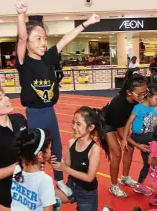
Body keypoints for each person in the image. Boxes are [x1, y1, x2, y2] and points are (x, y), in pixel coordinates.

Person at [15, 0, 100, 192]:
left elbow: (65, 40)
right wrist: (21, 15)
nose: (43, 42)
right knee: (36, 149)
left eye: (44, 38)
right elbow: (20, 38)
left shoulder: (48, 58)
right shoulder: (24, 62)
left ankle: (59, 180)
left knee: (57, 148)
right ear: (27, 42)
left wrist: (86, 23)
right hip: (35, 112)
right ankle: (33, 181)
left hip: (49, 111)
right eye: (37, 38)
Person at [50, 107, 113, 211]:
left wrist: (65, 168)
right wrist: (52, 161)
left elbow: (89, 177)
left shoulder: (94, 149)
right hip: (71, 186)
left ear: (90, 128)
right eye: (73, 122)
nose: (74, 127)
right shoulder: (71, 142)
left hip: (87, 192)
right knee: (45, 196)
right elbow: (66, 164)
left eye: (78, 124)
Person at [101, 72, 149, 198]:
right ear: (129, 92)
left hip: (120, 122)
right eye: (140, 94)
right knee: (117, 152)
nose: (143, 96)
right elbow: (123, 134)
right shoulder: (119, 104)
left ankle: (125, 177)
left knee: (129, 147)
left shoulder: (136, 99)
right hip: (105, 123)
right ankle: (113, 185)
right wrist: (139, 145)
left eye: (145, 92)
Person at [121, 83, 157, 196]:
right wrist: (124, 139)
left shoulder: (154, 109)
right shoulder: (138, 108)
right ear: (149, 95)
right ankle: (140, 185)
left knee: (155, 159)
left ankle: (154, 176)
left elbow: (154, 125)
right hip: (139, 137)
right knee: (148, 162)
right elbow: (128, 124)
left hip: (150, 136)